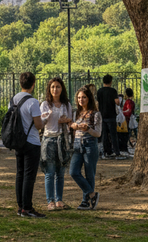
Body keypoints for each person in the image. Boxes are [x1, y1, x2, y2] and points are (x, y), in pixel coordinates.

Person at [12, 71, 45, 218]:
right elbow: (38, 125)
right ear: (33, 84)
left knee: (20, 173)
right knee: (29, 175)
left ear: (20, 83)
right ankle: (27, 207)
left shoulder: (13, 99)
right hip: (31, 141)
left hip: (18, 141)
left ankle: (20, 206)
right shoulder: (33, 102)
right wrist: (45, 120)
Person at [40, 77, 73, 211]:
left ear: (62, 89)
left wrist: (66, 120)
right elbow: (41, 123)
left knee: (60, 172)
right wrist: (48, 116)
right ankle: (50, 201)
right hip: (49, 139)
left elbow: (70, 122)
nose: (55, 89)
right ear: (49, 89)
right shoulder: (45, 105)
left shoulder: (67, 105)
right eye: (53, 87)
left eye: (58, 87)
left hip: (62, 139)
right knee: (50, 172)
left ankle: (59, 200)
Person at [68, 86, 101, 210]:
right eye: (79, 97)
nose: (81, 100)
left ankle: (85, 201)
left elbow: (98, 133)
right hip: (77, 145)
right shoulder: (75, 112)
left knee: (89, 174)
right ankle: (92, 194)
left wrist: (88, 129)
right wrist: (74, 125)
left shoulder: (96, 114)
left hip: (90, 144)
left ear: (89, 98)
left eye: (84, 97)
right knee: (73, 172)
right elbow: (71, 124)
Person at [96, 75, 121, 159]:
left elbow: (97, 103)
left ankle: (107, 151)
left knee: (104, 135)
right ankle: (116, 151)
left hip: (102, 115)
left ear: (103, 81)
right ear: (111, 81)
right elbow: (117, 102)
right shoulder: (113, 91)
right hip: (111, 115)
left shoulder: (99, 91)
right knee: (113, 134)